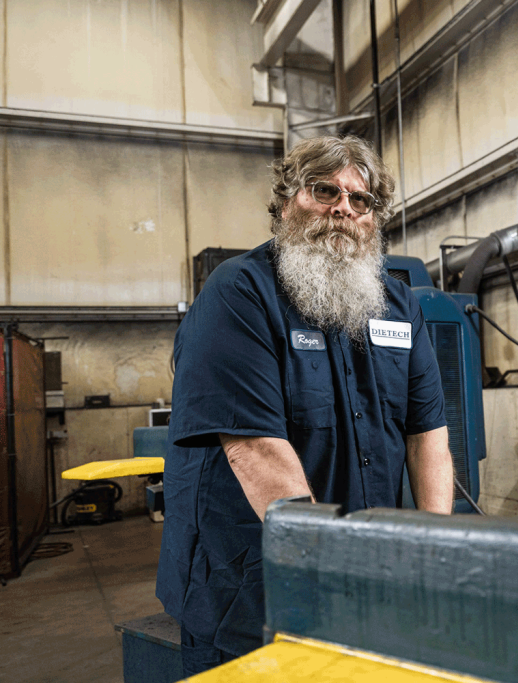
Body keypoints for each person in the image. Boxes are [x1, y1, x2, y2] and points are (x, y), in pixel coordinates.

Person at [156, 135, 454, 676]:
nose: (344, 207)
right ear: (289, 199)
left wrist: (432, 551)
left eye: (360, 200)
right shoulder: (240, 293)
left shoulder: (397, 304)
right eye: (325, 190)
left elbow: (426, 433)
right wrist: (330, 572)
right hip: (252, 589)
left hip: (366, 580)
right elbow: (256, 449)